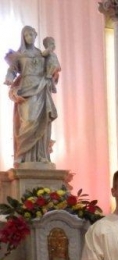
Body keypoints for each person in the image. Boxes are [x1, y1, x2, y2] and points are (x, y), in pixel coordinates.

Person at [4, 26, 59, 166]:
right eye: (26, 35)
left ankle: (41, 155)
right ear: (23, 37)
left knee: (42, 120)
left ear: (35, 35)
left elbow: (52, 68)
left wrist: (53, 72)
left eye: (31, 34)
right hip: (26, 89)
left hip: (41, 88)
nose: (29, 37)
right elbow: (12, 70)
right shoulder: (19, 55)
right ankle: (21, 154)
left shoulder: (42, 54)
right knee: (29, 120)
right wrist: (9, 78)